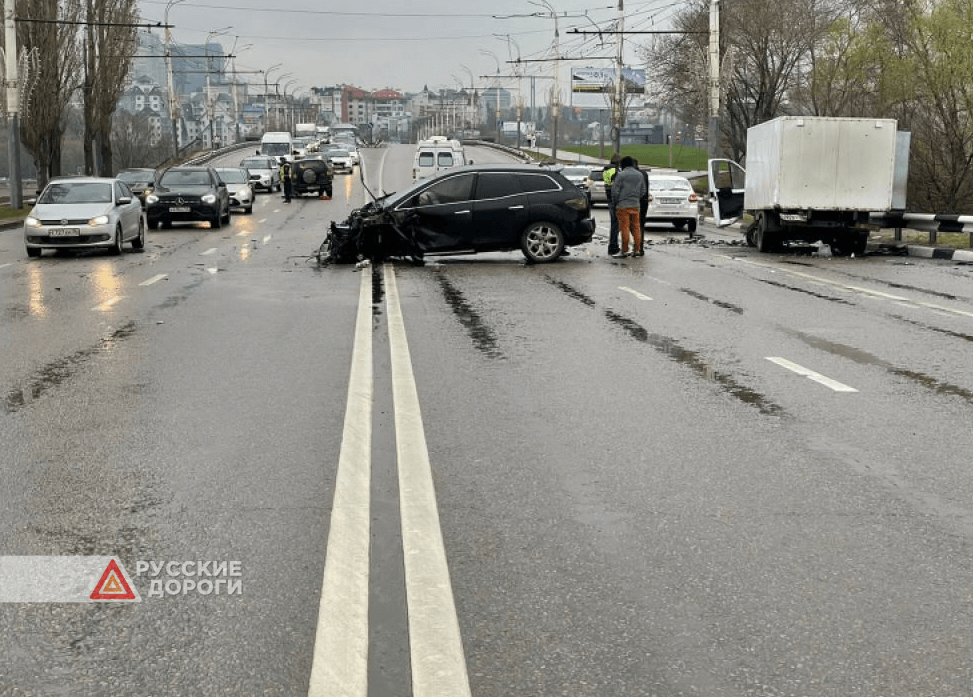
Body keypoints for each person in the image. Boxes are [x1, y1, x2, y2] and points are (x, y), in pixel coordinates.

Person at [611, 156, 647, 257]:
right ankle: (637, 250)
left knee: (624, 228)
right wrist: (635, 198)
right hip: (636, 205)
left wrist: (615, 202)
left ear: (623, 165)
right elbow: (643, 191)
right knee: (636, 228)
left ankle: (625, 250)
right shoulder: (639, 175)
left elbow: (615, 191)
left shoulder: (621, 175)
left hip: (622, 206)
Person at [603, 153, 621, 255]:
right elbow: (617, 186)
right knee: (616, 225)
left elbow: (608, 184)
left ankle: (612, 245)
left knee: (613, 224)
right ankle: (614, 246)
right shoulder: (616, 171)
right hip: (615, 199)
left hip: (609, 197)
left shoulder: (606, 170)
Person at [633, 158, 650, 255]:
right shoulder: (644, 174)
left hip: (635, 202)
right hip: (644, 202)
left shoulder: (634, 175)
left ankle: (636, 246)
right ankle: (640, 247)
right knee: (641, 224)